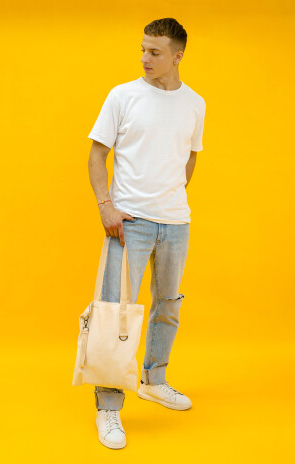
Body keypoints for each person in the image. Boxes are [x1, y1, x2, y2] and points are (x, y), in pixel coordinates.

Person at [87, 17, 206, 449]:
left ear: (177, 56)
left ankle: (154, 380)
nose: (144, 58)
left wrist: (170, 197)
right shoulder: (122, 96)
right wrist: (106, 205)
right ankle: (108, 406)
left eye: (154, 52)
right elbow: (97, 154)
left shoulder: (195, 103)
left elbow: (190, 156)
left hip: (175, 222)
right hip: (129, 223)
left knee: (168, 305)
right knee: (114, 312)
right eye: (142, 49)